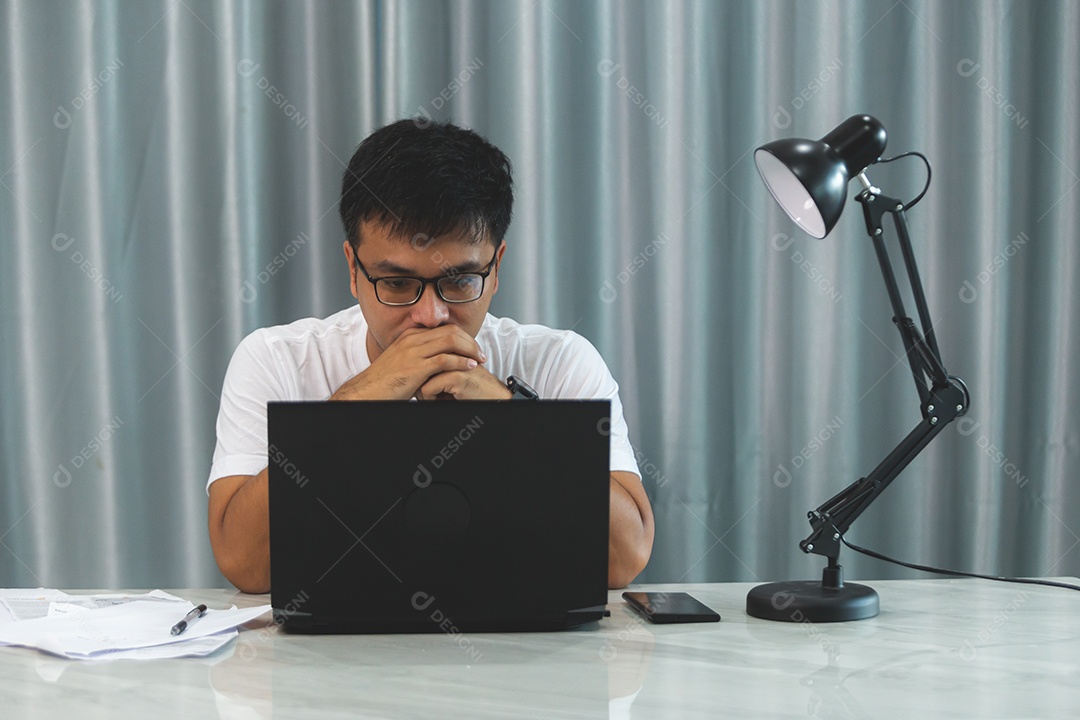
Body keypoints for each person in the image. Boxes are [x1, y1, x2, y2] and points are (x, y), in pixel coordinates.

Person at [207, 119, 654, 593]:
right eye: (397, 283)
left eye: (459, 281)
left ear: (496, 267)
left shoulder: (559, 361)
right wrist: (352, 410)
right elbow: (244, 564)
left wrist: (511, 421)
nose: (431, 315)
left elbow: (623, 560)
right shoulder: (276, 359)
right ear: (354, 272)